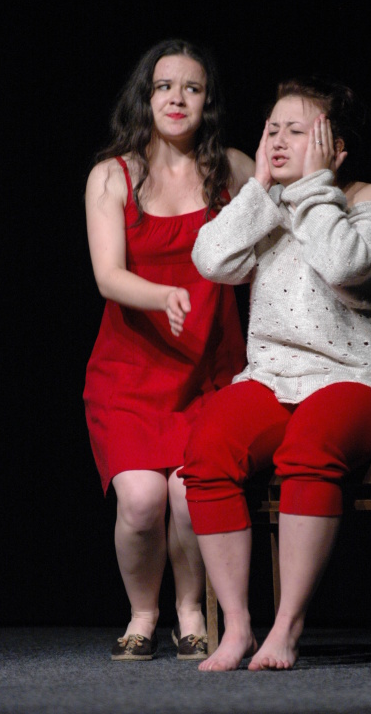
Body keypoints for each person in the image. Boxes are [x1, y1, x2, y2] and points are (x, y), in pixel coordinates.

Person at [179, 77, 371, 671]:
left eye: (297, 131)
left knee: (312, 439)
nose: (278, 141)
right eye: (271, 130)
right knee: (207, 447)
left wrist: (314, 187)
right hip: (275, 378)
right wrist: (260, 189)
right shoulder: (268, 208)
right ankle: (238, 628)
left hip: (364, 379)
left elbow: (344, 264)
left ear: (336, 147)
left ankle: (287, 628)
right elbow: (210, 259)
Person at [83, 38, 252, 661]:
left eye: (192, 88)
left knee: (187, 497)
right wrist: (162, 295)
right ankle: (142, 613)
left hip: (209, 372)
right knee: (141, 501)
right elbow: (108, 276)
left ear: (208, 102)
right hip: (129, 373)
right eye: (164, 86)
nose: (177, 98)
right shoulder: (114, 175)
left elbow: (293, 200)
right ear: (145, 97)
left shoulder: (231, 170)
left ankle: (190, 612)